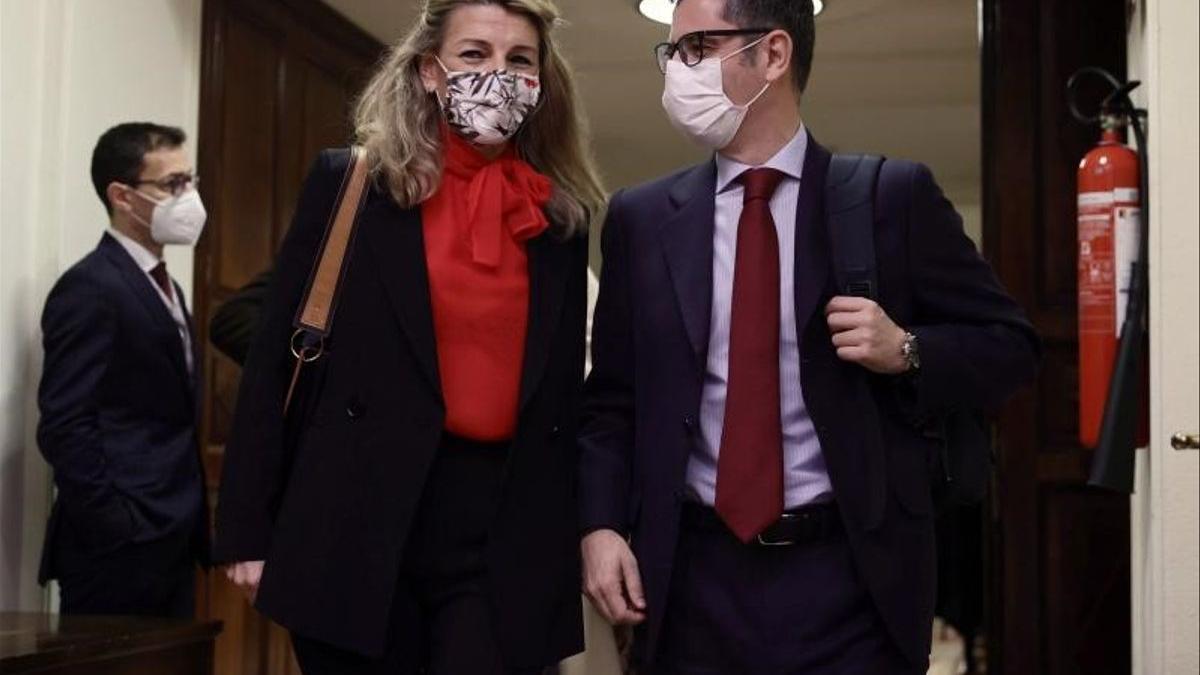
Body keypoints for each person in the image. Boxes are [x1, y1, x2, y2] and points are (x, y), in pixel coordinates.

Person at [577, 0, 1041, 673]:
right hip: (690, 579)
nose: (678, 71)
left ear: (773, 55)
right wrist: (598, 525)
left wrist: (908, 349)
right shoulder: (641, 221)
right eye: (672, 52)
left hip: (848, 578)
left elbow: (1012, 346)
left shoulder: (890, 199)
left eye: (698, 47)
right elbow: (610, 401)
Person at [212, 0, 604, 673]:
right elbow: (277, 360)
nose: (498, 76)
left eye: (520, 61)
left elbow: (566, 399)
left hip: (498, 525)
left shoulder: (559, 219)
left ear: (542, 83)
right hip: (356, 512)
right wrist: (247, 528)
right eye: (474, 55)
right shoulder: (352, 185)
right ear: (429, 69)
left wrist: (591, 527)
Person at [36, 122, 209, 617]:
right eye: (173, 184)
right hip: (118, 551)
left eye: (191, 181)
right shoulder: (90, 286)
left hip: (174, 542)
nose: (190, 197)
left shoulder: (165, 285)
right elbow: (66, 424)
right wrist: (116, 524)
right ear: (122, 196)